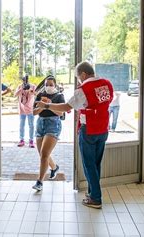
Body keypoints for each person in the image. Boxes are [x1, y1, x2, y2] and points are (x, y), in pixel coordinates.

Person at [36, 62, 113, 209]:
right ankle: (92, 193)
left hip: (89, 129)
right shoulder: (107, 83)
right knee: (96, 163)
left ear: (83, 74)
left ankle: (96, 198)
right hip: (103, 128)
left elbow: (66, 107)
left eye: (78, 77)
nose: (79, 80)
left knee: (88, 164)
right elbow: (105, 102)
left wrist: (46, 105)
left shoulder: (83, 89)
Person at [31, 75, 63, 191]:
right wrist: (42, 106)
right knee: (43, 154)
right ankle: (54, 168)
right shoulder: (40, 95)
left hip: (53, 124)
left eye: (51, 85)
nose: (48, 87)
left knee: (44, 154)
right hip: (40, 124)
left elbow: (60, 113)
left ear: (55, 85)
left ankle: (39, 181)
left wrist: (49, 106)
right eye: (46, 85)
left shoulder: (59, 96)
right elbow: (34, 112)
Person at [15, 75, 37, 148]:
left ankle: (31, 141)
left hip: (30, 109)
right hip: (22, 109)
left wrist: (32, 91)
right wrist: (21, 89)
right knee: (21, 125)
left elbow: (38, 94)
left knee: (31, 125)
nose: (25, 82)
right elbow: (15, 95)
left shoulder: (33, 86)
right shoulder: (20, 86)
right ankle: (21, 140)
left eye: (26, 80)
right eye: (24, 80)